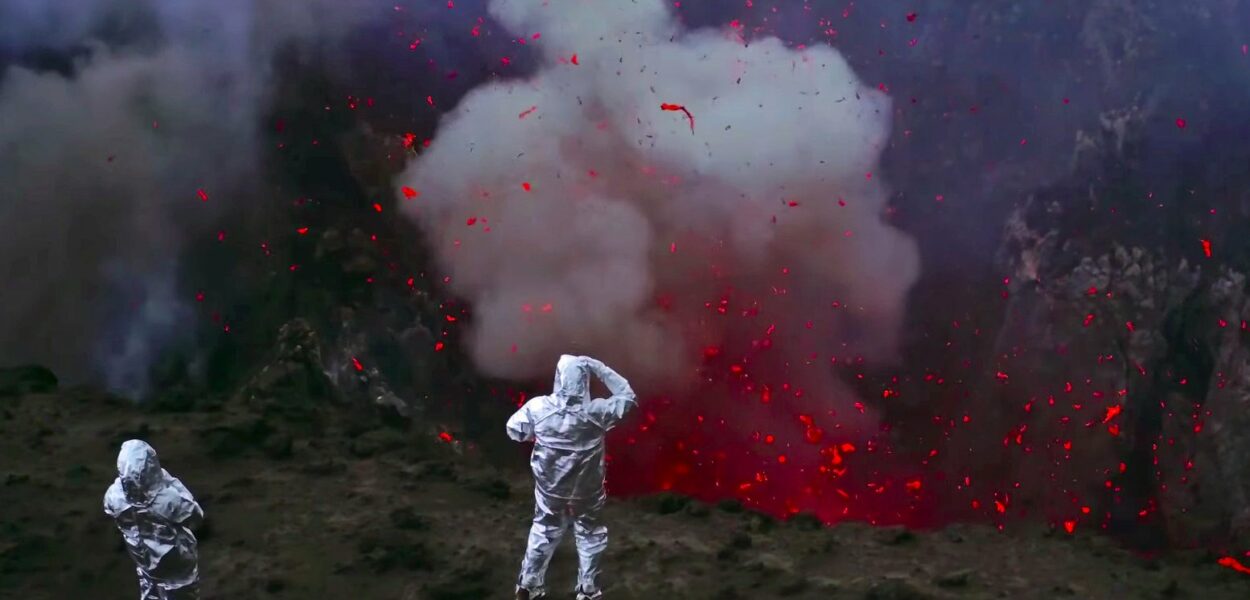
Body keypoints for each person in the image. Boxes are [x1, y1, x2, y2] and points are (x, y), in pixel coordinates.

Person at [507, 355, 637, 600]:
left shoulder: (538, 408)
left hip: (550, 489)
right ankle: (588, 591)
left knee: (544, 529)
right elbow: (628, 396)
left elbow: (514, 430)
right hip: (587, 492)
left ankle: (528, 586)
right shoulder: (597, 412)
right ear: (585, 380)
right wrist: (600, 367)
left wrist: (541, 437)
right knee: (590, 534)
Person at [103, 440, 204, 600]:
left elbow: (110, 509)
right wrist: (168, 480)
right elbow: (196, 513)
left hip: (145, 564)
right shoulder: (167, 500)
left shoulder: (114, 496)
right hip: (177, 566)